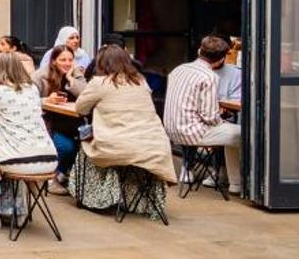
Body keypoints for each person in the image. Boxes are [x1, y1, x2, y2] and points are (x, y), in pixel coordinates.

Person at [70, 44, 176, 214]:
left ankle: (96, 198)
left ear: (102, 63)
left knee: (85, 151)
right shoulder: (141, 81)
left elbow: (80, 109)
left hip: (117, 148)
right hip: (154, 148)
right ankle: (134, 198)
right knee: (130, 155)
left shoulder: (99, 82)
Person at [0, 50, 58, 230]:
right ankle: (21, 213)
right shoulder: (33, 89)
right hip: (48, 160)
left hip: (15, 161)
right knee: (16, 162)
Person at [164, 34, 242, 190]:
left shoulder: (178, 69)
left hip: (171, 131)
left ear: (200, 50)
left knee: (231, 131)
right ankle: (236, 183)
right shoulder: (209, 76)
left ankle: (224, 177)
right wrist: (223, 122)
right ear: (221, 59)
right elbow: (210, 117)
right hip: (193, 133)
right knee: (241, 133)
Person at [38, 44, 86, 181]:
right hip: (50, 124)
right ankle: (52, 177)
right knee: (66, 147)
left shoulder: (77, 73)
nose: (67, 63)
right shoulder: (41, 76)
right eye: (62, 60)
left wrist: (71, 78)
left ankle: (64, 175)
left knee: (85, 148)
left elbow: (86, 94)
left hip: (74, 123)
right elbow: (28, 99)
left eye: (70, 60)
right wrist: (47, 100)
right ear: (53, 61)